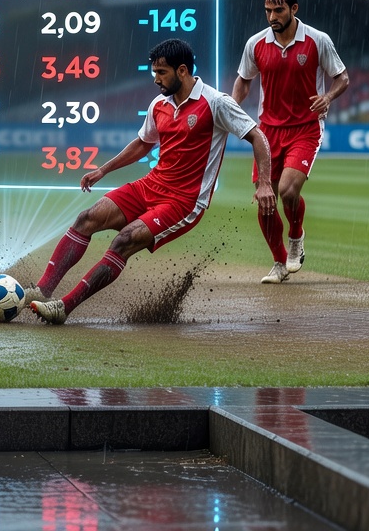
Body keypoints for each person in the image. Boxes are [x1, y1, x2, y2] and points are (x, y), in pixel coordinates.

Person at [23, 39, 275, 324]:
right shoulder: (159, 104)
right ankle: (43, 290)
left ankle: (63, 308)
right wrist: (103, 170)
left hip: (183, 201)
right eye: (153, 72)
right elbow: (143, 144)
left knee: (124, 240)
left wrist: (264, 183)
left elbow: (258, 136)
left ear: (182, 71)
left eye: (161, 73)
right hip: (150, 185)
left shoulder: (217, 103)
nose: (156, 79)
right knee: (87, 218)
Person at [231, 0, 348, 284]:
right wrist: (230, 108)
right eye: (268, 10)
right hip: (267, 132)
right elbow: (244, 81)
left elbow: (342, 77)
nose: (272, 16)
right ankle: (279, 262)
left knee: (287, 190)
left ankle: (296, 236)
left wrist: (328, 98)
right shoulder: (255, 44)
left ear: (294, 9)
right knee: (265, 198)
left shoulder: (317, 40)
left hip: (305, 129)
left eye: (278, 10)